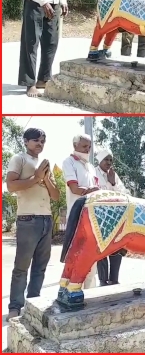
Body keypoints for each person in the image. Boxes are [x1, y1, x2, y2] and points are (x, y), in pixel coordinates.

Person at [5, 128, 60, 320]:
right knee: (22, 266)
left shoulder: (45, 164)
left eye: (43, 141)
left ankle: (33, 304)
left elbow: (56, 195)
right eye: (36, 140)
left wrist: (45, 178)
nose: (40, 143)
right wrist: (36, 178)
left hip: (46, 219)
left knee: (40, 267)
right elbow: (11, 186)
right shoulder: (18, 159)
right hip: (28, 219)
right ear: (26, 141)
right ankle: (15, 307)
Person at [61, 134, 99, 289]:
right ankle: (71, 293)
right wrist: (92, 191)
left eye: (89, 147)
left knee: (92, 258)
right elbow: (74, 188)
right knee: (76, 257)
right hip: (77, 217)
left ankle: (91, 295)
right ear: (75, 145)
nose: (87, 150)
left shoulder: (90, 167)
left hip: (93, 217)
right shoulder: (68, 162)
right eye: (84, 146)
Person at [95, 148, 127, 286]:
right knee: (101, 250)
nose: (108, 162)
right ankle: (103, 281)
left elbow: (123, 193)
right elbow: (97, 194)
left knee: (116, 248)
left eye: (110, 160)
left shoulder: (114, 175)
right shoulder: (93, 173)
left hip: (115, 218)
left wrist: (113, 183)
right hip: (99, 218)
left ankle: (114, 279)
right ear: (99, 160)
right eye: (106, 159)